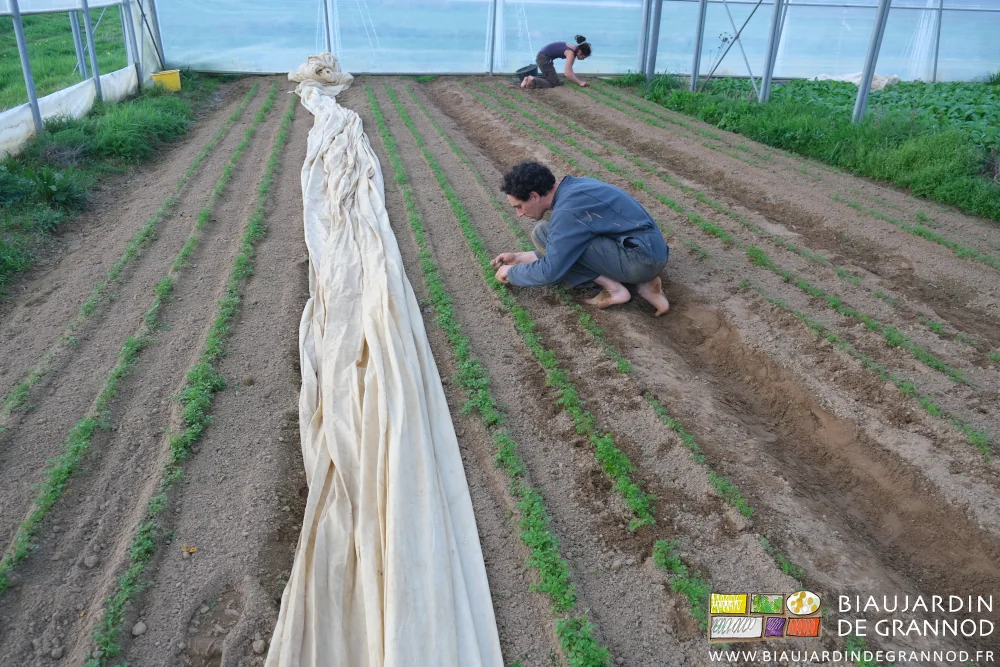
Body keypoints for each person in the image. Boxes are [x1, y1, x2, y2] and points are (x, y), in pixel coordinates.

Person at [491, 162, 670, 316]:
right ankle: (647, 283)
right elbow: (569, 246)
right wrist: (519, 258)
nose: (520, 214)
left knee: (542, 233)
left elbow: (551, 271)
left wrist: (512, 273)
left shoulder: (566, 212)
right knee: (560, 240)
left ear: (534, 196)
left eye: (519, 206)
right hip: (652, 250)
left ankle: (614, 289)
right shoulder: (577, 185)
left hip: (639, 261)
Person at [521, 35, 591, 89]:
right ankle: (532, 80)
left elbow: (569, 69)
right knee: (553, 83)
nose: (583, 59)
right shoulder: (571, 53)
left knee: (554, 79)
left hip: (544, 57)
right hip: (543, 58)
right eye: (583, 57)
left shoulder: (573, 48)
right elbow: (568, 73)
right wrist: (580, 82)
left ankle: (529, 78)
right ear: (579, 52)